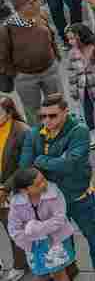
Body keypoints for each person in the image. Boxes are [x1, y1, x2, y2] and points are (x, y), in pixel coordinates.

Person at [18, 94, 95, 281]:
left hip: (78, 196)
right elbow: (25, 167)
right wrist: (56, 161)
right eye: (43, 116)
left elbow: (70, 164)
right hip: (50, 200)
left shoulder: (79, 131)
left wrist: (41, 160)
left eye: (53, 116)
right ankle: (69, 268)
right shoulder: (34, 133)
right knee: (60, 238)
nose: (47, 121)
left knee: (92, 233)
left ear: (65, 112)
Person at [0, 0, 62, 125]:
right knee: (33, 112)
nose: (38, 4)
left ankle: (61, 132)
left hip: (49, 71)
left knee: (56, 105)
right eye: (33, 2)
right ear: (21, 8)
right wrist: (15, 74)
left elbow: (52, 36)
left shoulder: (42, 16)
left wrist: (56, 57)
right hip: (25, 78)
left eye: (37, 1)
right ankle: (40, 138)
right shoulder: (6, 29)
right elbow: (3, 57)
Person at [6, 167, 77, 281]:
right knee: (40, 275)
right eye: (38, 184)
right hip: (33, 245)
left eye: (43, 179)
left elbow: (59, 219)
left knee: (60, 273)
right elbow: (14, 229)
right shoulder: (16, 203)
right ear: (25, 190)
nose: (44, 184)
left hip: (57, 241)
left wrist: (32, 228)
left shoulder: (54, 193)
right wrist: (28, 244)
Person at [0, 96, 30, 280]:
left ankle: (20, 265)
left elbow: (24, 165)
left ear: (9, 112)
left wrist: (5, 188)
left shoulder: (21, 131)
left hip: (10, 190)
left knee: (13, 228)